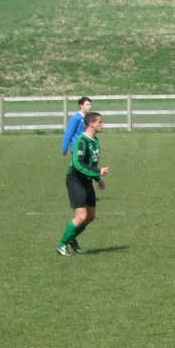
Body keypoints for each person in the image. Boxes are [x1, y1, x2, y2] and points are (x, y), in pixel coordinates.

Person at [57, 110, 108, 256]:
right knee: (81, 216)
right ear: (91, 124)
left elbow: (91, 163)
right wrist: (98, 172)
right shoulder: (81, 141)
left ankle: (72, 237)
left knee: (91, 216)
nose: (102, 124)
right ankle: (61, 245)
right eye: (100, 122)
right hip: (75, 180)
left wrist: (98, 179)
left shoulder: (95, 141)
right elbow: (78, 164)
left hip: (86, 180)